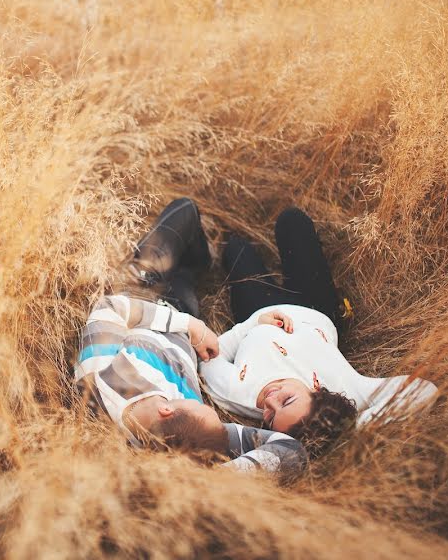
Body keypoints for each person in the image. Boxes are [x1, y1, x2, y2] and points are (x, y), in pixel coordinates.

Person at [75, 199, 307, 473]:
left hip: (141, 294)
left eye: (196, 404)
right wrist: (220, 479)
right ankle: (197, 261)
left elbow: (110, 308)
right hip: (182, 309)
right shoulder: (197, 433)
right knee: (186, 273)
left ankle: (195, 254)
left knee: (184, 210)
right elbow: (291, 452)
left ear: (166, 410)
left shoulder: (100, 383)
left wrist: (191, 326)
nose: (197, 400)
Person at [199, 207, 439, 456]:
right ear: (319, 395)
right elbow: (423, 390)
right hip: (313, 306)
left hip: (258, 310)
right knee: (292, 220)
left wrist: (253, 325)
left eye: (270, 418)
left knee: (236, 249)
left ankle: (224, 234)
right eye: (287, 401)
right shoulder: (346, 386)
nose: (270, 401)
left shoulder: (238, 395)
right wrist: (350, 427)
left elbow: (210, 357)